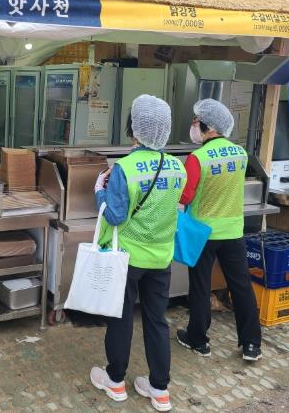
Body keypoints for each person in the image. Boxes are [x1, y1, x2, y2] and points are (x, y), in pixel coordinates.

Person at [90, 95, 186, 412]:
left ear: (134, 128)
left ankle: (115, 380)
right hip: (161, 258)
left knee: (121, 318)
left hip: (127, 259)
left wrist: (100, 191)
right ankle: (159, 389)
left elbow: (115, 216)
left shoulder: (125, 168)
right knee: (157, 321)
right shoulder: (178, 167)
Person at [176, 98, 262, 362]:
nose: (194, 124)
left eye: (196, 120)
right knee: (241, 286)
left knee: (201, 287)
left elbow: (185, 196)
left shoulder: (197, 158)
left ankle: (198, 340)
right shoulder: (240, 153)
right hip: (233, 231)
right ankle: (251, 344)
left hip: (203, 233)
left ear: (210, 127)